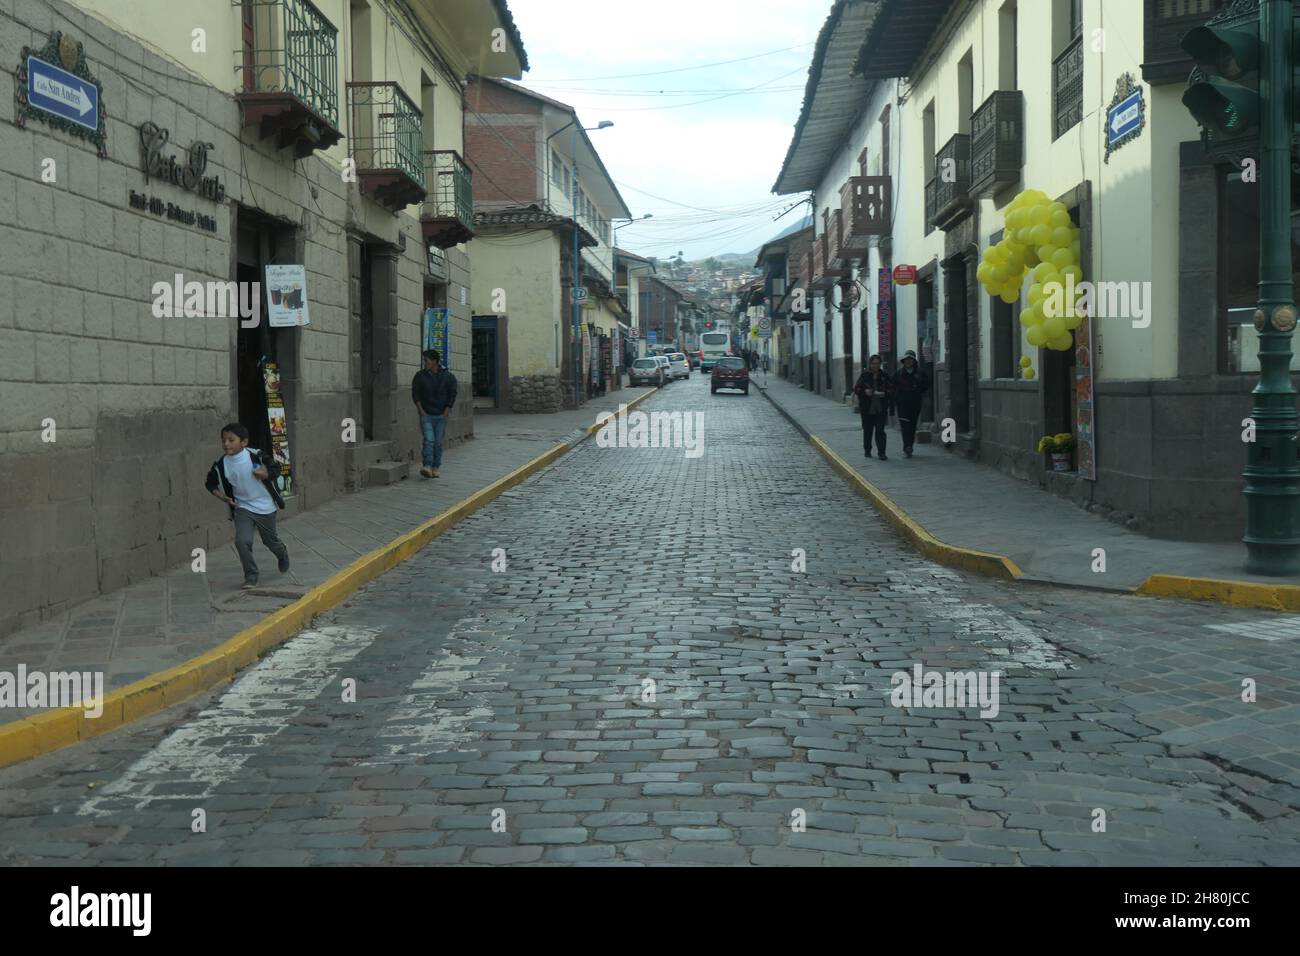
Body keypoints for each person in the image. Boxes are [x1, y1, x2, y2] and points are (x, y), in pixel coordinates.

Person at [205, 422, 289, 589]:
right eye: (223, 440)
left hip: (265, 506)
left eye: (231, 440)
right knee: (242, 541)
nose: (226, 444)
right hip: (243, 507)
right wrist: (224, 498)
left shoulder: (255, 455)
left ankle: (282, 553)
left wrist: (266, 474)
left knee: (270, 541)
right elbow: (210, 483)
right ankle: (251, 576)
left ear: (243, 442)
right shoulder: (221, 464)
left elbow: (276, 468)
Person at [411, 349, 458, 478]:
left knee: (437, 442)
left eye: (426, 360)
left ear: (434, 361)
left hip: (441, 415)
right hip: (426, 414)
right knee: (429, 440)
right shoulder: (420, 376)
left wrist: (447, 410)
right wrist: (421, 410)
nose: (424, 363)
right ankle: (426, 465)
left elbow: (452, 393)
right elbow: (415, 394)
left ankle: (436, 466)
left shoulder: (448, 376)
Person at [853, 354, 894, 460]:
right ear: (870, 364)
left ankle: (881, 452)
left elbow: (892, 389)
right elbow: (856, 389)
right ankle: (867, 450)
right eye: (873, 364)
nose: (875, 366)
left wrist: (884, 393)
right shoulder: (865, 375)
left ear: (880, 364)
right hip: (867, 408)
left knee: (880, 431)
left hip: (880, 408)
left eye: (877, 363)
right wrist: (864, 391)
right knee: (868, 430)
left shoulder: (884, 376)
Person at [895, 349, 929, 458]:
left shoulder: (920, 373)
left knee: (913, 425)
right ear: (904, 361)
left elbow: (927, 383)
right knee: (905, 426)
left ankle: (910, 444)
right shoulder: (899, 373)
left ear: (914, 361)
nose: (908, 362)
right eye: (906, 360)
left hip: (915, 403)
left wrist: (918, 390)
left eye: (910, 359)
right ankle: (907, 446)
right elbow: (892, 385)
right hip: (902, 404)